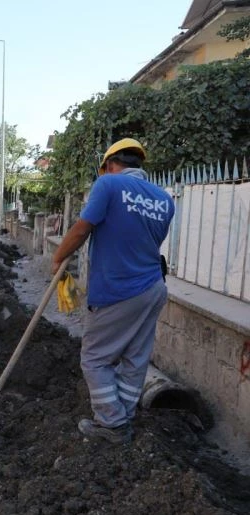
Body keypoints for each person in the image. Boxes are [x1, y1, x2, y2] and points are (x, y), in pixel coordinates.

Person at [51, 138, 173, 444]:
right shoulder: (164, 199)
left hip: (119, 289)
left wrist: (57, 259)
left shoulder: (108, 185)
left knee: (95, 358)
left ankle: (112, 423)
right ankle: (125, 415)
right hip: (154, 287)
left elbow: (82, 228)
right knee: (135, 357)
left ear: (110, 165)